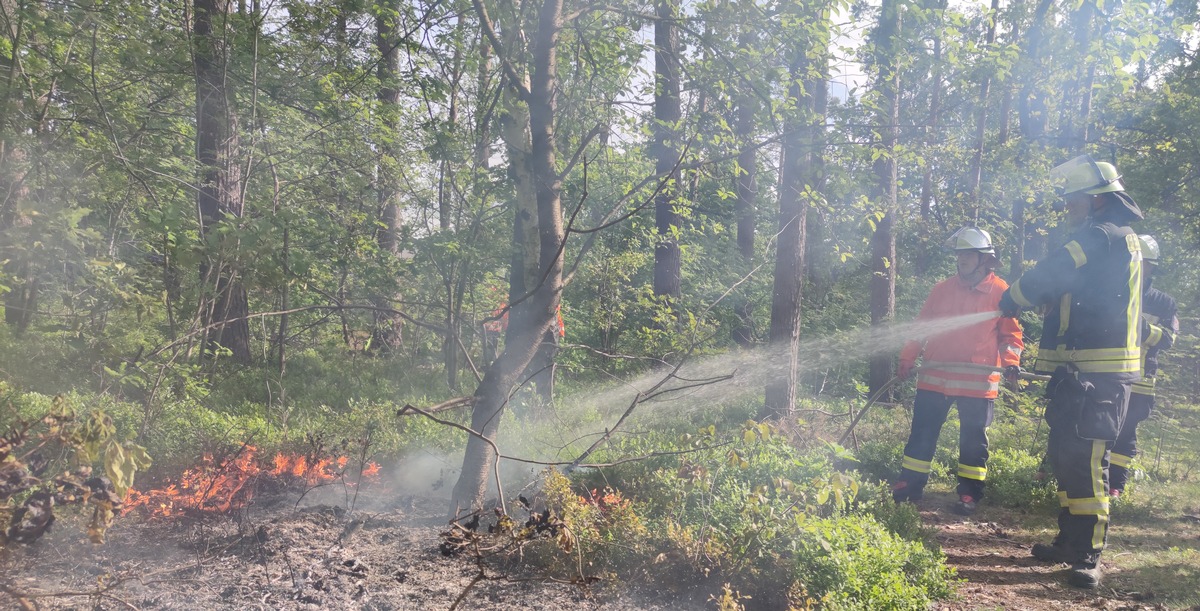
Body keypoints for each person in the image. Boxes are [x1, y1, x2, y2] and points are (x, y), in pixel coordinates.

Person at [998, 154, 1144, 589]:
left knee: (1087, 460)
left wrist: (1015, 296)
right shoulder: (1111, 235)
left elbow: (1054, 270)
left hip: (1098, 373)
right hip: (1079, 370)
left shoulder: (1101, 235)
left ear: (1097, 200)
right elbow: (1078, 290)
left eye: (1073, 201)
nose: (1069, 209)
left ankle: (1088, 554)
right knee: (1066, 456)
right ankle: (1069, 541)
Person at [892, 227, 1024, 516]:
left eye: (968, 254)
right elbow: (921, 326)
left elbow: (1011, 337)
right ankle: (910, 485)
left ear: (985, 259)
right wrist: (907, 357)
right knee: (922, 434)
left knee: (973, 441)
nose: (962, 259)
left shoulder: (1001, 292)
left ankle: (969, 494)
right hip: (934, 379)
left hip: (977, 384)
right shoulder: (942, 289)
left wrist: (1012, 362)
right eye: (960, 254)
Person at [1110, 235, 1178, 497]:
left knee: (1126, 431)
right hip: (1108, 374)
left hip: (1140, 379)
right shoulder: (1111, 293)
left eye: (1140, 262)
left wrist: (1143, 329)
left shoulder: (1163, 303)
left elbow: (1169, 340)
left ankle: (1115, 485)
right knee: (1096, 427)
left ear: (1151, 266)